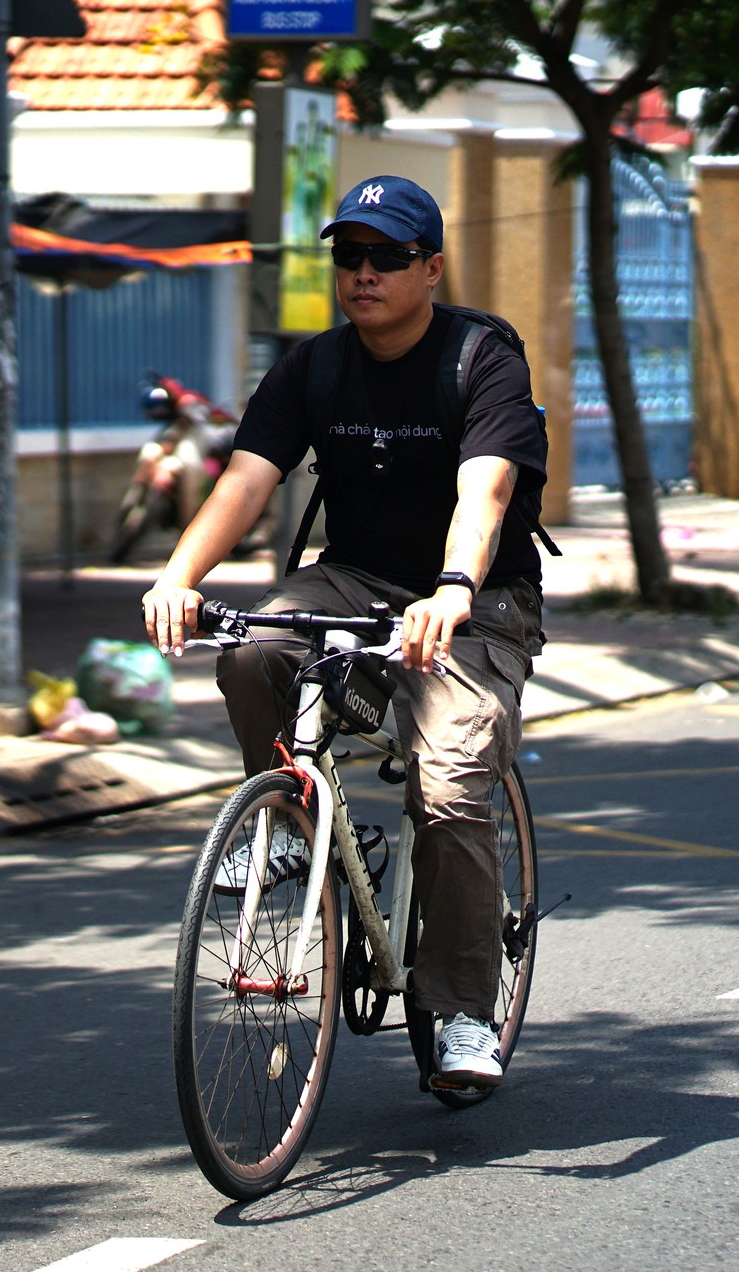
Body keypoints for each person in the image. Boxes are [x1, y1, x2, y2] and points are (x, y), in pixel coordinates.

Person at [141, 175, 549, 1091]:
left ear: (430, 267)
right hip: (355, 580)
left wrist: (451, 587)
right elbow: (246, 480)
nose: (364, 272)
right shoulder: (315, 367)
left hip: (477, 600)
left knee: (448, 788)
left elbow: (485, 491)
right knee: (253, 649)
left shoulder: (480, 360)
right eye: (350, 255)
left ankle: (462, 1012)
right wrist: (178, 576)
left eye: (387, 256)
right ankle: (289, 814)